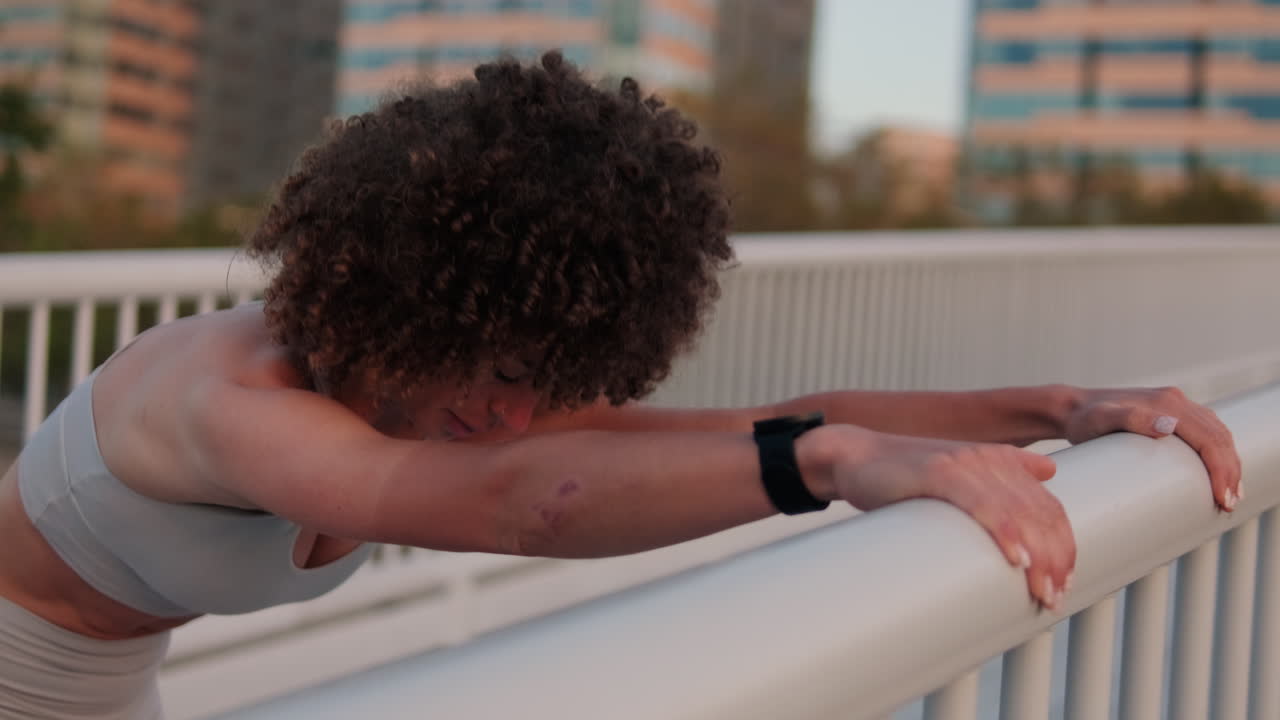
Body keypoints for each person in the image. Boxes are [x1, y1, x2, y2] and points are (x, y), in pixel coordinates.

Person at [0, 52, 1239, 719]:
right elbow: (509, 507)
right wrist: (823, 466)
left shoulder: (445, 371)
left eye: (550, 385)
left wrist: (1061, 409)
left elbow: (760, 410)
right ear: (412, 295)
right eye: (498, 374)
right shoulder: (232, 403)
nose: (511, 419)